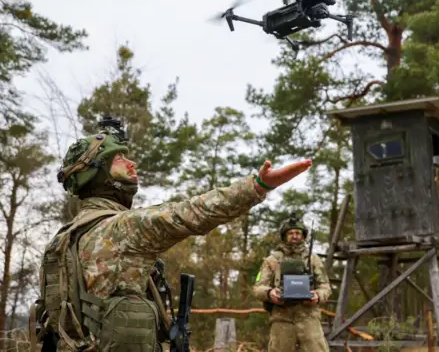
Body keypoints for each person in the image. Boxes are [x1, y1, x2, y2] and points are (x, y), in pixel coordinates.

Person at [30, 125, 312, 352]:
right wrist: (258, 186)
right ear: (100, 173)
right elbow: (191, 213)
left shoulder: (61, 240)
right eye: (119, 159)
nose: (131, 164)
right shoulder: (122, 228)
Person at [252, 216, 331, 352]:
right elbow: (258, 288)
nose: (294, 236)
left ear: (303, 236)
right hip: (282, 317)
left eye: (298, 233)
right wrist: (270, 293)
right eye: (290, 233)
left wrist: (317, 295)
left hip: (308, 317)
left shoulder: (313, 259)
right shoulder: (272, 260)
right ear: (284, 236)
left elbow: (326, 287)